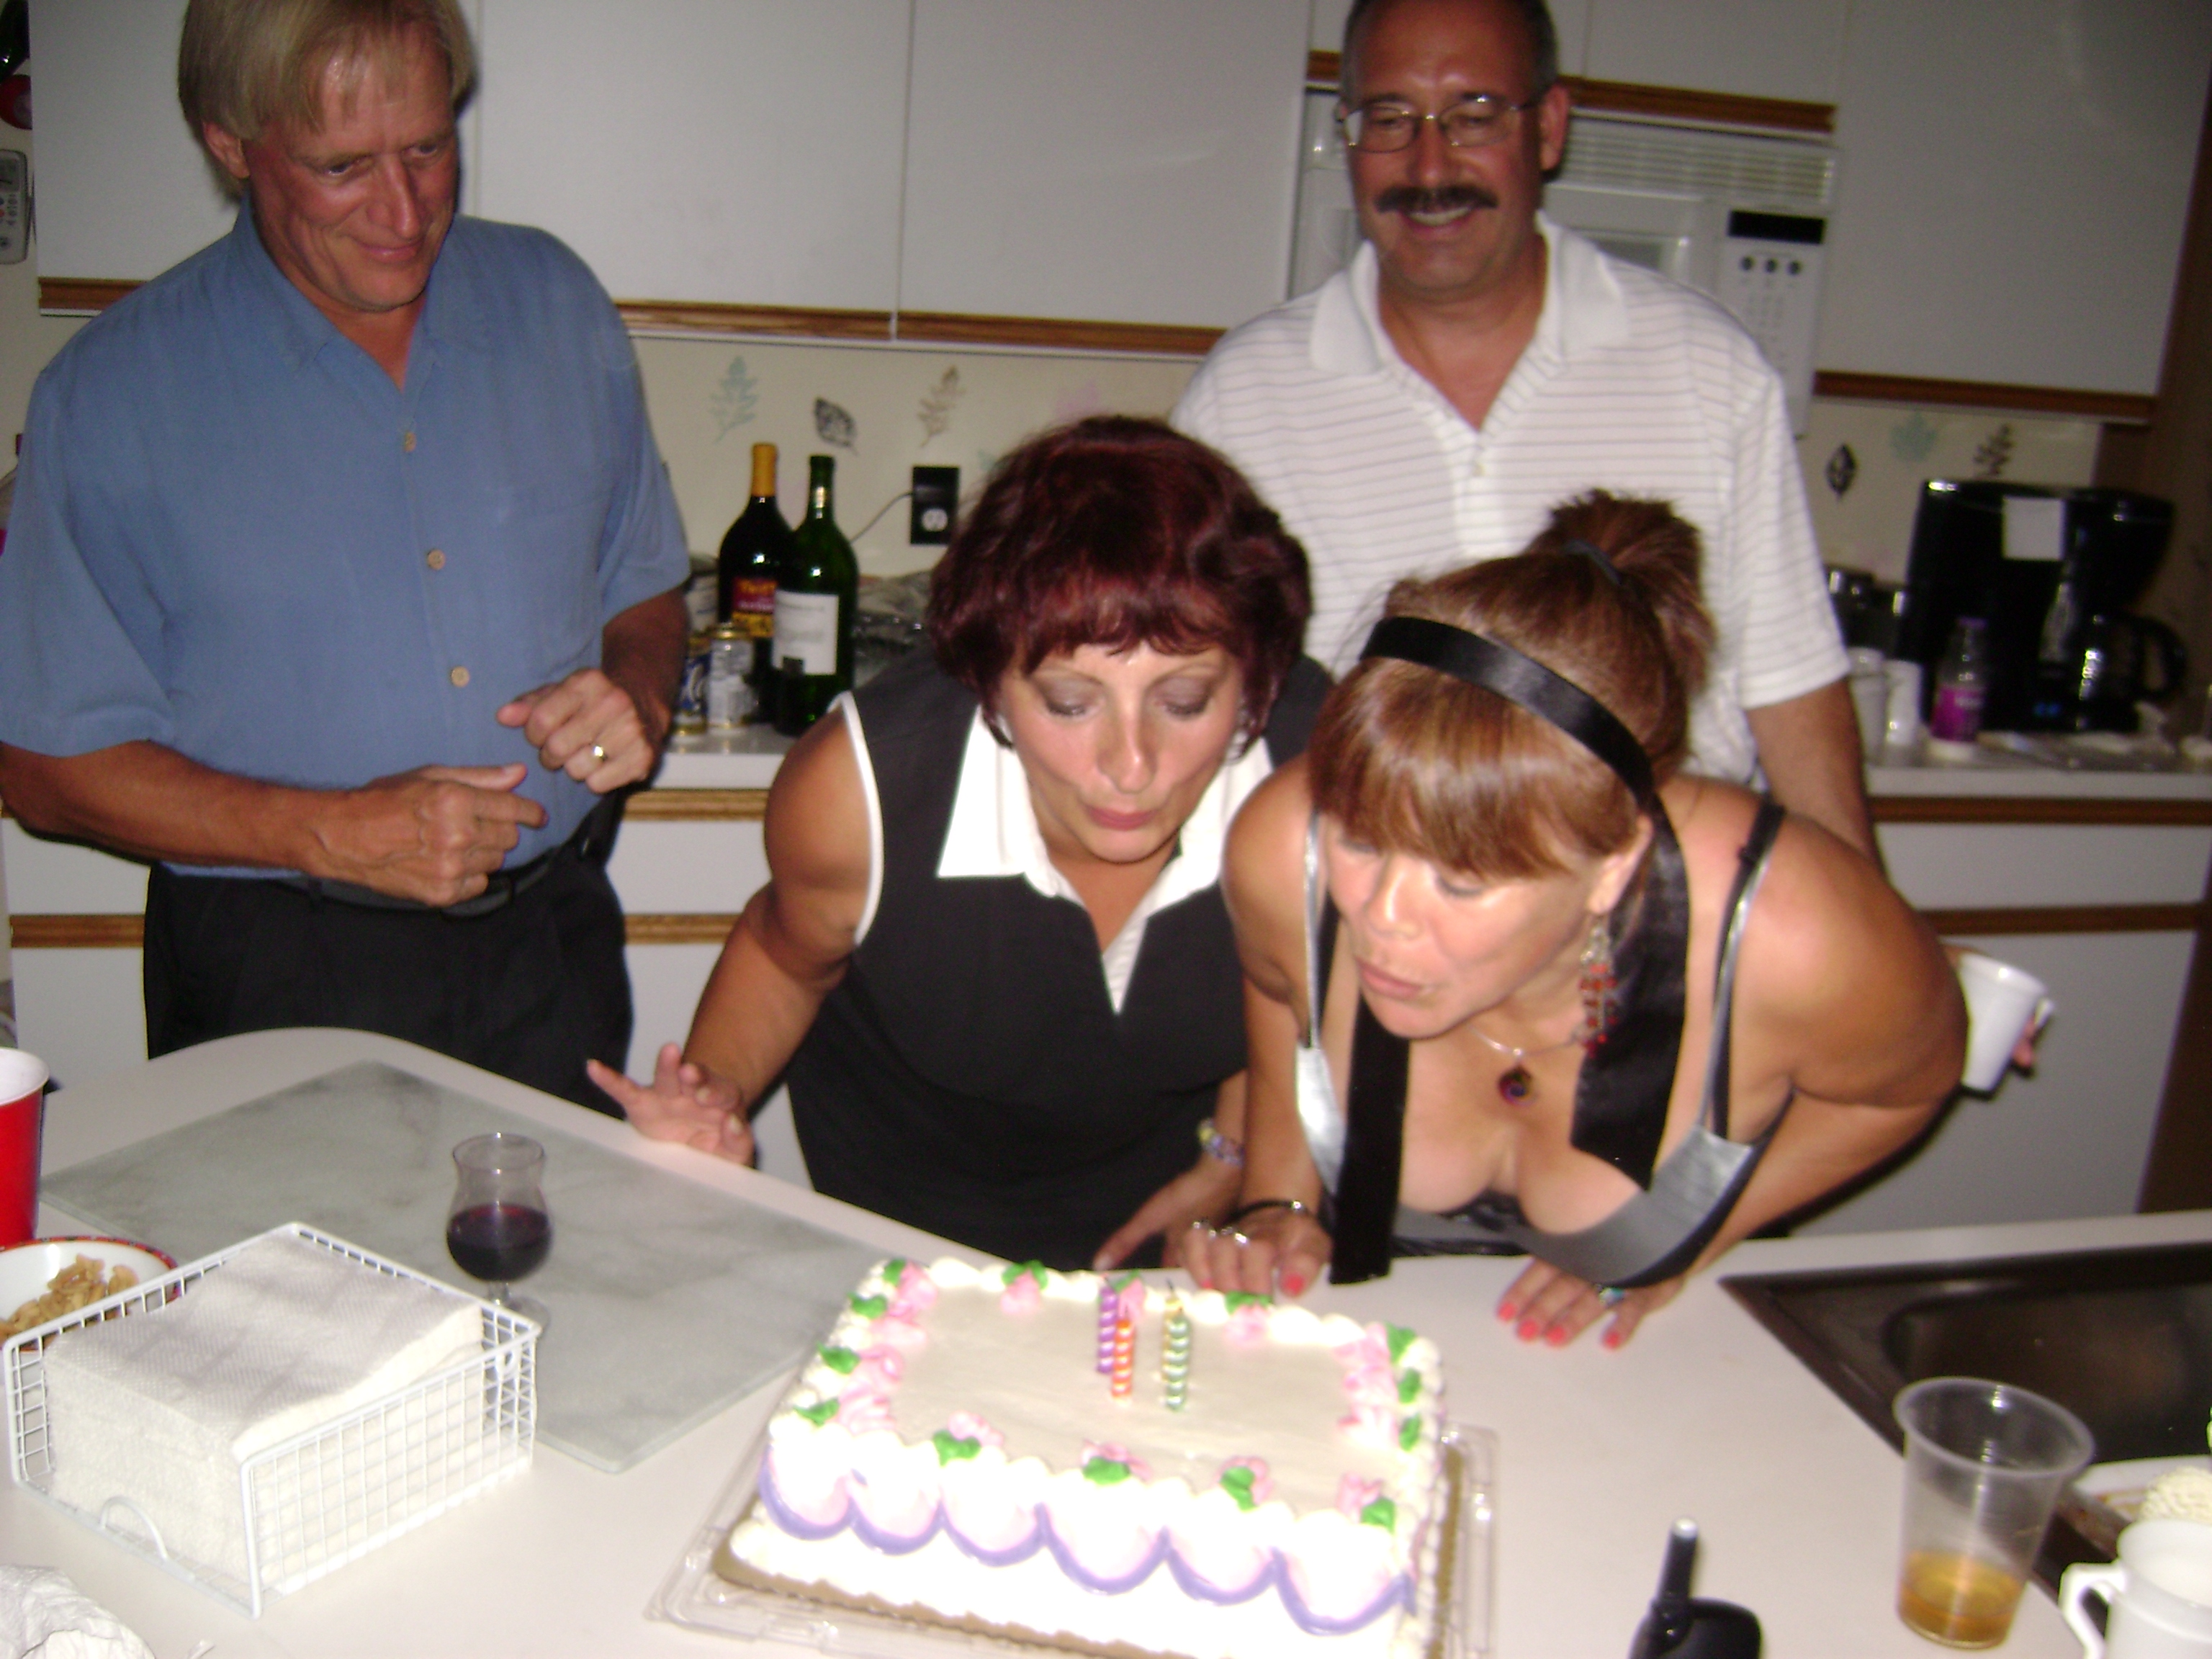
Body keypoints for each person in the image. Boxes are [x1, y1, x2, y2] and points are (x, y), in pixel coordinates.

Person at [0, 0, 689, 1107]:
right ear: (232, 144)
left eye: (427, 148)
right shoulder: (111, 395)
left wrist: (638, 693)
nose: (404, 210)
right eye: (342, 167)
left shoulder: (557, 303)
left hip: (550, 953)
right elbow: (41, 768)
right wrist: (329, 832)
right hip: (279, 962)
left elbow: (643, 585)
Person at [1184, 493, 1964, 1346]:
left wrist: (1693, 1242)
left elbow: (1905, 1087)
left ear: (1613, 866)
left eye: (1461, 882)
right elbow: (1281, 987)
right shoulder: (1283, 847)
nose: (1379, 919)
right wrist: (1279, 1201)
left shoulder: (1790, 929)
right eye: (1362, 840)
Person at [590, 418, 1328, 1270]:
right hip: (906, 1203)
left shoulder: (1313, 779)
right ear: (988, 680)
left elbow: (1287, 995)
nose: (1132, 766)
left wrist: (1238, 1165)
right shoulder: (863, 788)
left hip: (1173, 1207)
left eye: (1186, 700)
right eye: (1070, 703)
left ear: (1256, 683)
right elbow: (784, 956)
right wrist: (710, 1101)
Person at [1172, 0, 1876, 858]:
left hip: (1654, 897)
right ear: (1347, 135)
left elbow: (1792, 692)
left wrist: (1865, 920)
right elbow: (1187, 697)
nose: (1430, 166)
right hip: (1370, 900)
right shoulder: (1243, 398)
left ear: (1548, 128)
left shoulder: (1708, 369)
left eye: (1474, 116)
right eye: (1389, 119)